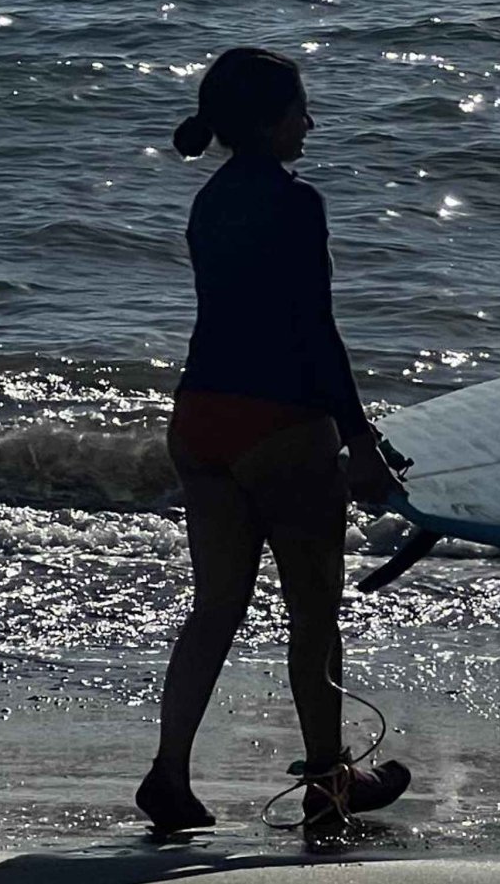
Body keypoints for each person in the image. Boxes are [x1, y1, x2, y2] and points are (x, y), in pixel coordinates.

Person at [136, 47, 411, 832]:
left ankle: (168, 773)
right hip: (278, 426)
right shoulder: (298, 204)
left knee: (215, 607)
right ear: (267, 121)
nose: (310, 122)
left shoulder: (209, 202)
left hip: (200, 420)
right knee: (313, 613)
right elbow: (314, 333)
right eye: (298, 109)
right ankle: (330, 784)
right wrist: (358, 439)